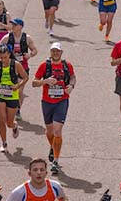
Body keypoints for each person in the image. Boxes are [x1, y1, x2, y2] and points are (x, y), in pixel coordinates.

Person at [33, 42, 76, 174]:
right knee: (49, 131)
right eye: (53, 51)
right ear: (50, 52)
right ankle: (53, 146)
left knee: (57, 131)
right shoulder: (44, 66)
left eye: (57, 51)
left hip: (62, 101)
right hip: (47, 102)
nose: (55, 53)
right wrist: (45, 81)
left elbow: (73, 77)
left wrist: (71, 86)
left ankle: (55, 161)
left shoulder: (67, 66)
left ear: (61, 53)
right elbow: (34, 82)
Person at [0, 45, 29, 152]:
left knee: (9, 122)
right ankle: (4, 143)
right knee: (1, 120)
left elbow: (25, 77)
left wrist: (17, 86)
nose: (3, 60)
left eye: (5, 57)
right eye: (1, 57)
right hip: (0, 95)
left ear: (9, 55)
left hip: (12, 95)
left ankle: (14, 126)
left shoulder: (16, 65)